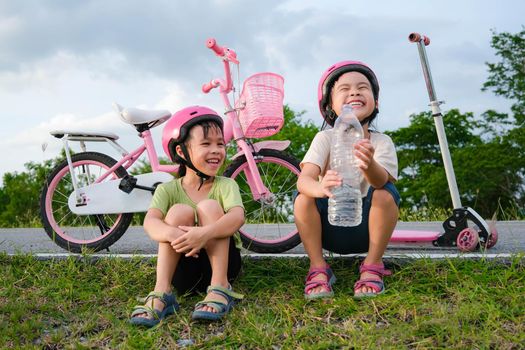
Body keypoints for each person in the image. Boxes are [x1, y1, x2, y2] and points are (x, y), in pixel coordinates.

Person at [130, 106, 245, 326]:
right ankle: (162, 292)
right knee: (178, 212)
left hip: (223, 265)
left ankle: (220, 288)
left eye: (220, 144)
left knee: (209, 207)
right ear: (181, 152)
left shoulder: (226, 185)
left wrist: (204, 234)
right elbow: (150, 222)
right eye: (206, 144)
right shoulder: (167, 189)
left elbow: (237, 217)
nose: (216, 150)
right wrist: (176, 235)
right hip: (183, 269)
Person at [294, 61, 400, 299]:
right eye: (345, 89)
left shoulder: (382, 142)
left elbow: (382, 181)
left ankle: (372, 265)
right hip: (330, 226)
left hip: (366, 230)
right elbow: (304, 180)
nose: (354, 92)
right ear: (330, 106)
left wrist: (369, 163)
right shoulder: (324, 138)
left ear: (376, 102)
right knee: (303, 198)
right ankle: (318, 268)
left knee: (385, 192)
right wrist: (320, 188)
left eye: (363, 87)